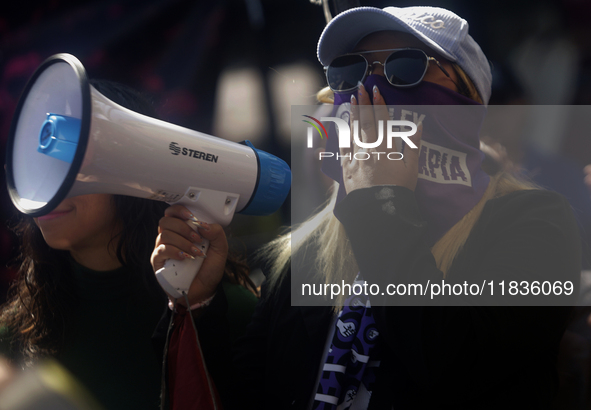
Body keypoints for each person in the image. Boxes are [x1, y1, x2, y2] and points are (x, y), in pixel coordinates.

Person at [154, 5, 581, 409]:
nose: (372, 87)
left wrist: (382, 202)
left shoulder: (535, 221)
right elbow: (247, 397)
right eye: (350, 71)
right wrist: (202, 303)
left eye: (405, 66)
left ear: (468, 98)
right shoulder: (310, 251)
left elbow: (452, 364)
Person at [0, 80, 258, 410]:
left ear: (137, 170)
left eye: (75, 157)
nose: (47, 184)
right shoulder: (13, 340)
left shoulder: (228, 316)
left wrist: (198, 312)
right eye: (41, 162)